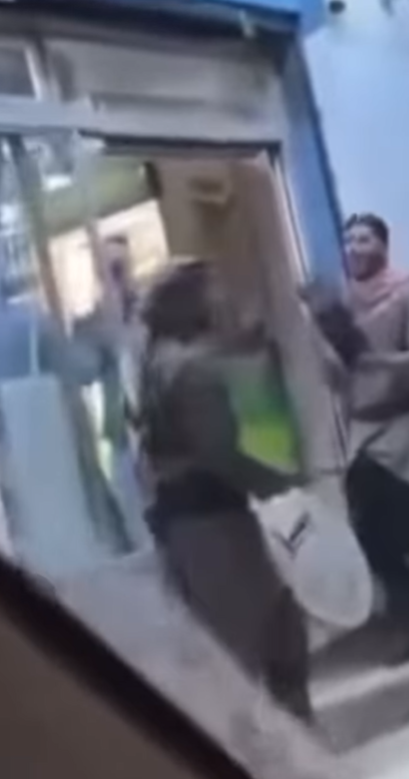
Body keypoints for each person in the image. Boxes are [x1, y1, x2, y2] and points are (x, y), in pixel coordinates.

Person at [136, 259, 313, 723]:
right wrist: (277, 484)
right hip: (212, 524)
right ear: (190, 303)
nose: (222, 298)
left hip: (188, 523)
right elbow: (220, 449)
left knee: (263, 635)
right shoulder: (189, 369)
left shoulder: (157, 360)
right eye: (213, 291)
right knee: (262, 643)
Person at [306, 214, 409, 663]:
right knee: (373, 534)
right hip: (364, 431)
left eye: (364, 239)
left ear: (383, 245)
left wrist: (375, 360)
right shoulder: (342, 303)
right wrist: (324, 341)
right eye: (349, 241)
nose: (355, 248)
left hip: (408, 428)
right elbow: (336, 378)